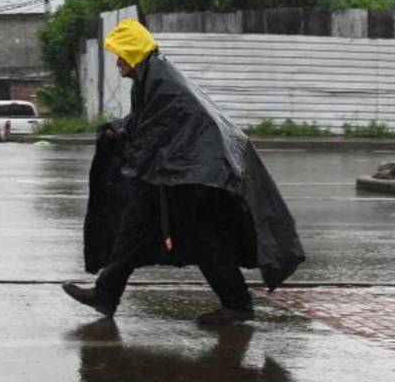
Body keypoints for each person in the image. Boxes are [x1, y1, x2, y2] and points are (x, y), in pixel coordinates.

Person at [63, 19, 304, 324]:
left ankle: (237, 304)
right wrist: (121, 130)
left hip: (194, 175)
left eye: (120, 55)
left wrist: (127, 139)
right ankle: (105, 294)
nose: (117, 62)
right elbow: (148, 122)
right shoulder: (151, 77)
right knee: (134, 233)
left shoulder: (161, 80)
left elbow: (164, 127)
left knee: (203, 240)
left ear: (134, 52)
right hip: (177, 173)